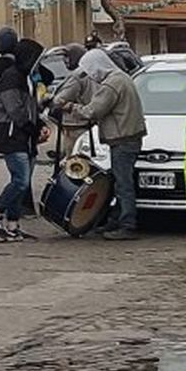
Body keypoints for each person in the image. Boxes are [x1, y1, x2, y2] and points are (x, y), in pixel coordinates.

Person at [57, 49, 147, 241]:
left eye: (90, 70)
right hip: (129, 137)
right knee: (117, 180)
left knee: (123, 184)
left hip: (123, 139)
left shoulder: (112, 84)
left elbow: (92, 111)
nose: (91, 75)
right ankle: (115, 218)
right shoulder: (122, 78)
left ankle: (127, 224)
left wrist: (69, 106)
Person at [0, 38, 48, 243]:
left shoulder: (27, 77)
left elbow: (31, 107)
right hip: (12, 135)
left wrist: (38, 125)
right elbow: (15, 111)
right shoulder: (11, 78)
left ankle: (13, 224)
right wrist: (33, 128)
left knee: (23, 181)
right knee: (20, 181)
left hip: (26, 137)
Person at [50, 43, 95, 157]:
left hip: (75, 126)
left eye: (67, 57)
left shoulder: (77, 76)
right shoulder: (90, 72)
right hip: (89, 124)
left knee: (73, 162)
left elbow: (59, 100)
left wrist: (59, 103)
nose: (65, 61)